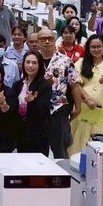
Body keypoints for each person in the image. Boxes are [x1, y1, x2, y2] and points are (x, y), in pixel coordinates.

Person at [70, 35, 103, 156]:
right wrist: (87, 98)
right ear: (88, 48)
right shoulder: (80, 63)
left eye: (99, 46)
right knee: (81, 135)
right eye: (93, 47)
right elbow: (75, 84)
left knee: (101, 136)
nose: (96, 49)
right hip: (84, 106)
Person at [35, 27, 83, 160]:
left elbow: (74, 84)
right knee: (38, 147)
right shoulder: (32, 60)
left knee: (60, 148)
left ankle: (62, 172)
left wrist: (78, 108)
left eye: (50, 39)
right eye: (43, 39)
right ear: (37, 41)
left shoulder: (65, 61)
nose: (46, 42)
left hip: (58, 108)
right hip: (37, 108)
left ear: (55, 40)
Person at [13, 51, 52, 155]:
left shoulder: (45, 85)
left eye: (34, 63)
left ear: (40, 65)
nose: (30, 66)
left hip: (38, 134)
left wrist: (32, 102)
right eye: (28, 62)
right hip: (21, 132)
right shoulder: (18, 84)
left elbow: (44, 111)